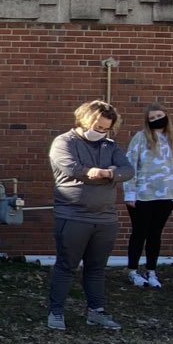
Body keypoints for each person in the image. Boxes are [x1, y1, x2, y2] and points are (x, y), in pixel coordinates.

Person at [46, 100, 134, 331]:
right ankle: (56, 312)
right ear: (85, 120)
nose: (101, 132)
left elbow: (128, 170)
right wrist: (96, 172)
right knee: (66, 266)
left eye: (106, 129)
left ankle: (96, 311)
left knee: (96, 268)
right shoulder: (64, 142)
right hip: (73, 216)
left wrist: (108, 173)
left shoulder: (110, 146)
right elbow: (73, 170)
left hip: (105, 219)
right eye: (98, 126)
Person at [122, 104, 173, 289]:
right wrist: (130, 193)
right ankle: (132, 271)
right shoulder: (140, 138)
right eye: (152, 118)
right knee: (139, 233)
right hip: (142, 195)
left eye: (159, 115)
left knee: (155, 234)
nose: (156, 119)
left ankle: (151, 271)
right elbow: (130, 165)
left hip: (167, 193)